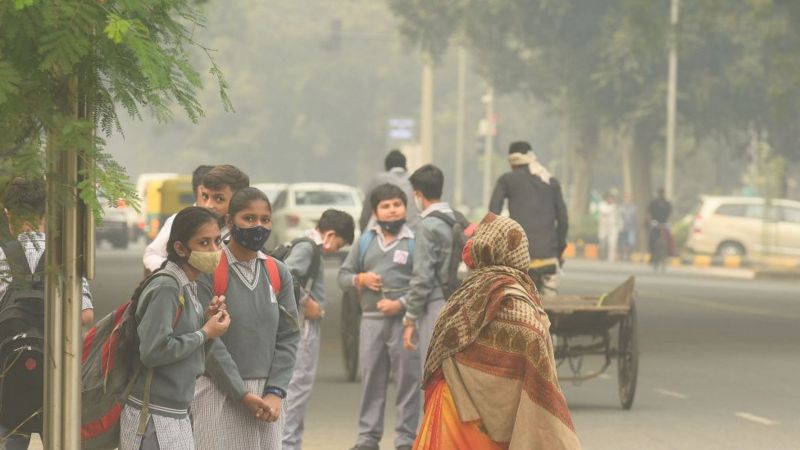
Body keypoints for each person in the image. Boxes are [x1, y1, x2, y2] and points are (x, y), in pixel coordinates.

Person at [414, 213, 580, 450]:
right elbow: (534, 342)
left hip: (454, 408)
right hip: (489, 424)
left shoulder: (464, 294)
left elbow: (440, 350)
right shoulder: (520, 299)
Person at [119, 206, 236, 450]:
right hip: (154, 414)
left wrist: (207, 324)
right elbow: (154, 351)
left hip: (176, 411)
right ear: (180, 248)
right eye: (204, 243)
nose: (215, 250)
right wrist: (205, 332)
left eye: (217, 241)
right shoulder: (167, 287)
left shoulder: (189, 285)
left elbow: (191, 350)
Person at [192, 187, 300, 450]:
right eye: (249, 219)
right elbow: (207, 340)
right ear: (229, 222)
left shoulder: (278, 272)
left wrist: (275, 392)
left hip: (267, 400)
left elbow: (288, 337)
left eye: (265, 219)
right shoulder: (209, 269)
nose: (258, 226)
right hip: (216, 391)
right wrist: (241, 394)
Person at [0, 177, 95, 449]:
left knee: (11, 431)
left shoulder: (2, 256)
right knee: (57, 432)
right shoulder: (64, 256)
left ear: (8, 214)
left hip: (8, 369)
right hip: (57, 370)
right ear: (46, 212)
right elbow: (86, 315)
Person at [338, 183, 420, 450]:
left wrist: (401, 304)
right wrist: (360, 278)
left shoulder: (414, 241)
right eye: (386, 206)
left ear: (405, 208)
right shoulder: (365, 241)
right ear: (376, 212)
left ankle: (406, 439)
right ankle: (367, 439)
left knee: (408, 382)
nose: (392, 211)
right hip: (370, 322)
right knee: (371, 380)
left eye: (397, 205)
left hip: (405, 323)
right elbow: (343, 276)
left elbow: (424, 283)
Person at [282, 209, 355, 450]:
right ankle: (287, 443)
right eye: (339, 244)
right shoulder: (308, 248)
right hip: (302, 325)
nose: (336, 250)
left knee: (298, 389)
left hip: (303, 323)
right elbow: (287, 276)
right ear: (330, 234)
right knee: (298, 387)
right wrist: (308, 302)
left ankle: (291, 442)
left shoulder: (304, 244)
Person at [489, 141, 568, 299]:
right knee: (550, 305)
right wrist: (558, 253)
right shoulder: (551, 182)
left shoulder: (506, 180)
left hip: (519, 261)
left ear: (512, 163)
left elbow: (493, 214)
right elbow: (563, 220)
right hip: (549, 260)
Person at [401, 164, 453, 366]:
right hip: (460, 302)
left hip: (435, 304)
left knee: (432, 371)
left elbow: (422, 277)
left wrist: (410, 317)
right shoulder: (458, 219)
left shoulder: (427, 226)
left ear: (418, 194)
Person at [143, 165, 215, 273]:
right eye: (205, 196)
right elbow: (152, 255)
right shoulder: (179, 221)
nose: (211, 204)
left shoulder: (232, 225)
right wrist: (177, 271)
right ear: (198, 191)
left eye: (219, 197)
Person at [358, 149, 419, 232]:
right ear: (405, 166)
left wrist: (363, 232)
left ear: (386, 166)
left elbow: (367, 210)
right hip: (414, 229)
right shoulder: (416, 179)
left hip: (385, 230)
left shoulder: (378, 179)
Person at [647, 188, 673, 259]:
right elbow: (649, 213)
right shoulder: (653, 203)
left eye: (662, 193)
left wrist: (668, 222)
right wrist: (650, 221)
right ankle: (652, 255)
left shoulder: (667, 203)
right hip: (655, 223)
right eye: (660, 193)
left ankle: (669, 254)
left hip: (664, 224)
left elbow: (670, 214)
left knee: (669, 239)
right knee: (652, 239)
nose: (661, 195)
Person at [597, 192, 620, 262]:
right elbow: (604, 212)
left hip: (612, 227)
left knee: (612, 243)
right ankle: (602, 256)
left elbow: (617, 217)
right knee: (602, 243)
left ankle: (611, 258)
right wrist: (612, 209)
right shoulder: (602, 205)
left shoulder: (615, 206)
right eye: (609, 198)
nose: (610, 200)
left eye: (612, 199)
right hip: (603, 227)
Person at [618, 193, 637, 261]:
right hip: (622, 228)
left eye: (627, 199)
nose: (626, 200)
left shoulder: (633, 208)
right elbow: (618, 217)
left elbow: (635, 219)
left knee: (631, 242)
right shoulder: (620, 208)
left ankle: (629, 255)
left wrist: (635, 227)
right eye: (625, 198)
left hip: (631, 228)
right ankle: (622, 256)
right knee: (622, 243)